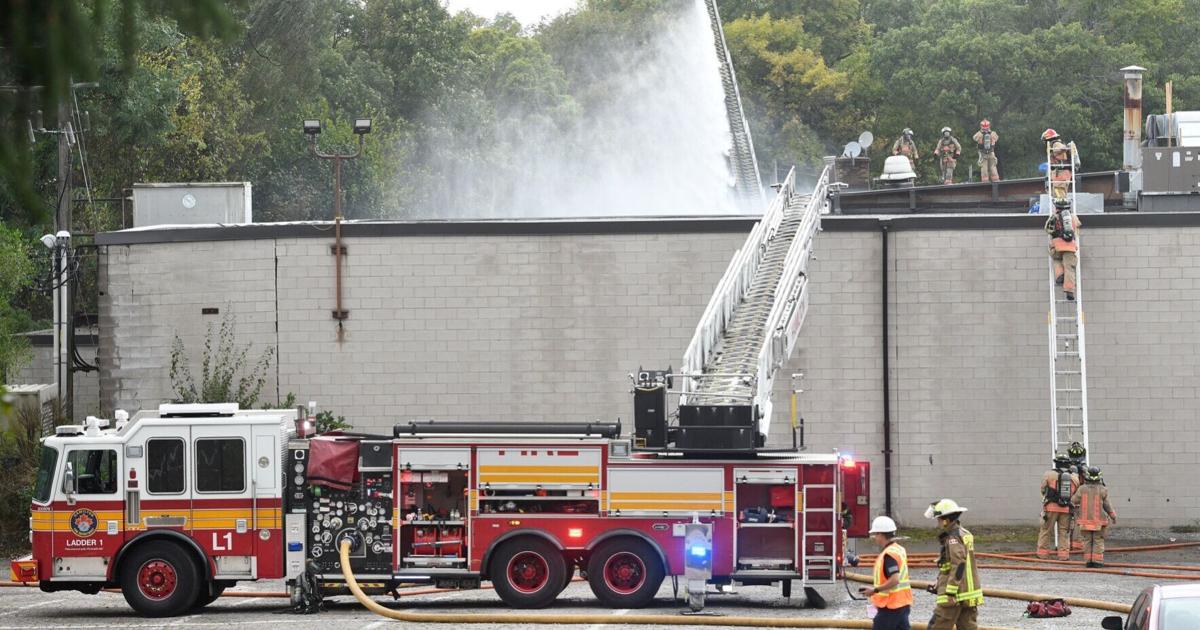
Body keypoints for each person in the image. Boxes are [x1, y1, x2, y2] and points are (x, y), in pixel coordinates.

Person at [925, 499, 982, 630]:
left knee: (937, 626)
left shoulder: (953, 538)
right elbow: (951, 564)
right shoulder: (964, 533)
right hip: (967, 593)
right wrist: (939, 582)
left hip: (955, 594)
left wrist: (950, 592)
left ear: (946, 520)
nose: (938, 522)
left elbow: (959, 564)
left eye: (939, 519)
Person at [860, 516, 913, 630]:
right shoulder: (898, 549)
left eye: (875, 534)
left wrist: (874, 590)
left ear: (881, 534)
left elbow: (895, 579)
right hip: (902, 603)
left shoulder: (889, 554)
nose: (874, 537)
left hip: (890, 606)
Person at [1071, 467, 1117, 567]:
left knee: (1087, 541)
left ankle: (1088, 561)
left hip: (1084, 522)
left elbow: (1073, 500)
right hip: (1099, 523)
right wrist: (1113, 516)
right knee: (1098, 540)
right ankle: (1097, 562)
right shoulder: (1103, 490)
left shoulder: (1082, 489)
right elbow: (1107, 505)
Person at [1037, 453, 1078, 559]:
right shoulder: (1074, 477)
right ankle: (1064, 555)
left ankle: (1042, 554)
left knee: (1046, 530)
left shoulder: (1048, 474)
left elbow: (1043, 490)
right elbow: (1075, 494)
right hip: (1066, 509)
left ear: (1056, 463)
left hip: (1050, 508)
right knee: (1064, 532)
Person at [1045, 200, 1082, 301]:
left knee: (1057, 260)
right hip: (1069, 247)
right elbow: (1078, 225)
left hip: (1057, 246)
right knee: (1069, 267)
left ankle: (1060, 275)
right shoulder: (1073, 217)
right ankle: (1069, 290)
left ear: (1056, 208)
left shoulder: (1053, 217)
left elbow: (1047, 229)